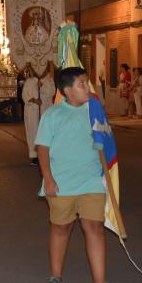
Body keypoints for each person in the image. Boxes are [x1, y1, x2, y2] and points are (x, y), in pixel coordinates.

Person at [35, 67, 106, 283]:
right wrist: (48, 178)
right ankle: (56, 275)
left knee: (94, 228)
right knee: (61, 228)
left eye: (87, 83)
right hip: (61, 182)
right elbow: (43, 149)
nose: (87, 88)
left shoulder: (94, 111)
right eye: (82, 84)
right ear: (67, 90)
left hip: (91, 179)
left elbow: (105, 143)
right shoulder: (52, 115)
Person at [22, 65, 41, 166]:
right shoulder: (30, 81)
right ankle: (34, 156)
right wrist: (34, 100)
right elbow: (24, 95)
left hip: (42, 109)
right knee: (33, 132)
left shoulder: (44, 80)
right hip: (32, 110)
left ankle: (42, 154)